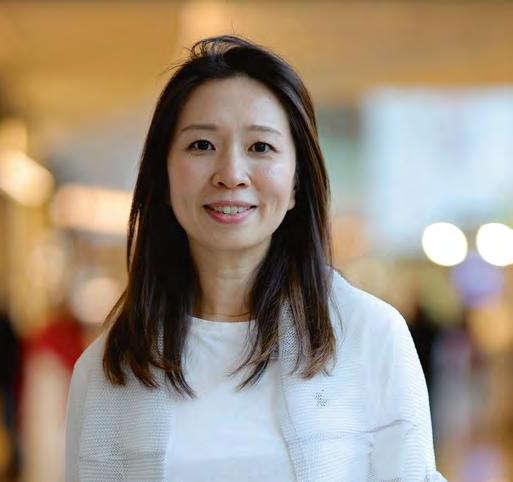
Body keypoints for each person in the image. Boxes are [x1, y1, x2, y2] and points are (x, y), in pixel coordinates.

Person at [64, 34, 447, 481]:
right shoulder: (107, 371)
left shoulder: (370, 337)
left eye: (260, 147)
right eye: (201, 145)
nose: (231, 174)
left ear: (297, 182)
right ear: (163, 176)